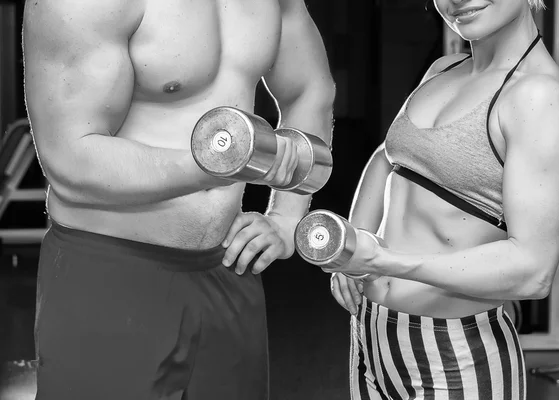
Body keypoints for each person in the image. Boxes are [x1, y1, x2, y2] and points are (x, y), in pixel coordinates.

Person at [22, 0, 335, 399]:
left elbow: (310, 89)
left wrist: (286, 218)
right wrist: (221, 165)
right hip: (110, 273)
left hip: (227, 269)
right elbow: (70, 161)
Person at [328, 0, 559, 399]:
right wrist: (352, 246)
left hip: (456, 355)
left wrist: (383, 262)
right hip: (372, 334)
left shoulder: (538, 97)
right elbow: (388, 158)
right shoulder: (442, 69)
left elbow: (534, 270)